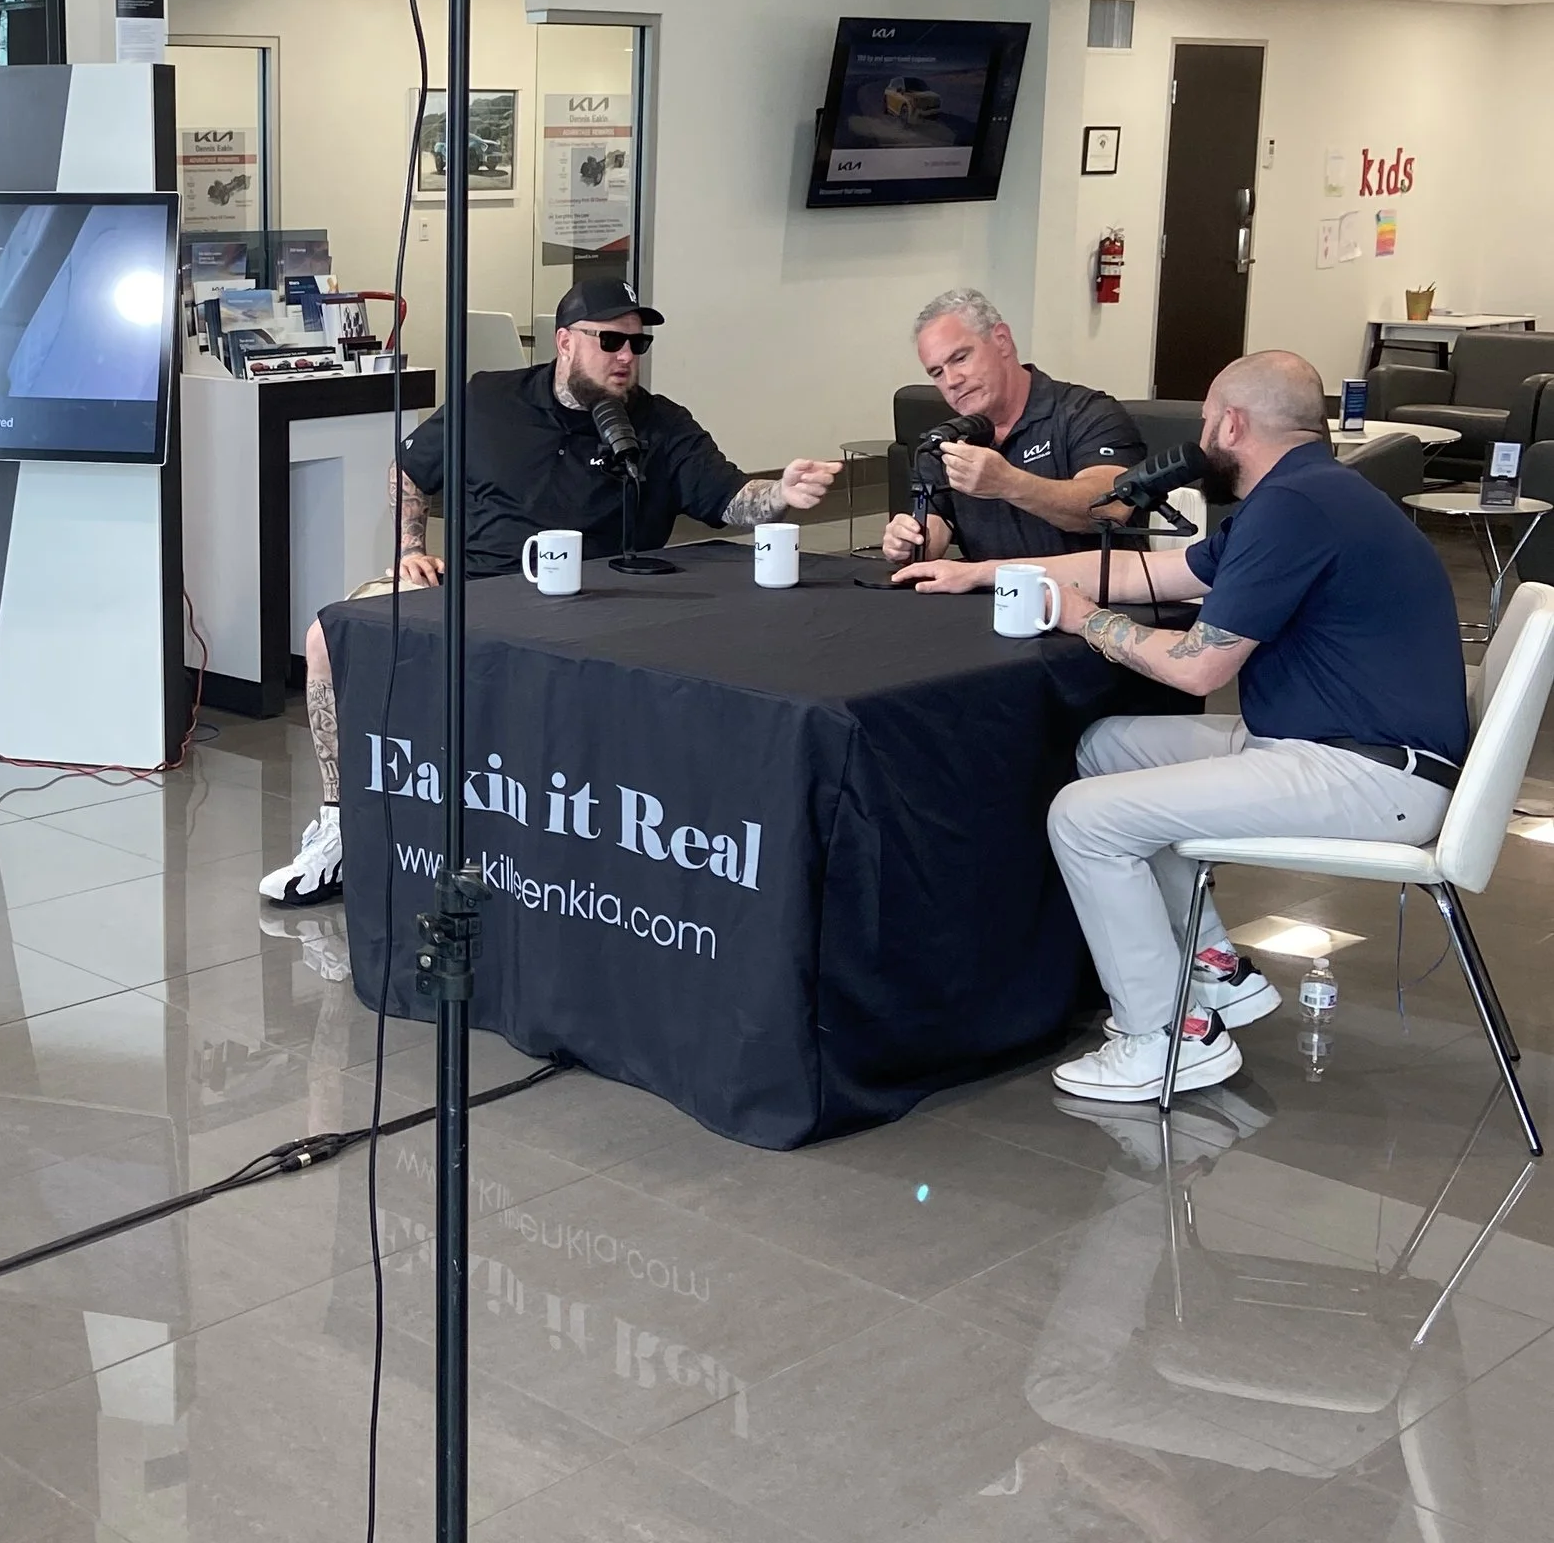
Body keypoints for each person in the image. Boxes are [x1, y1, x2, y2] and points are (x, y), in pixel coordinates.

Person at [898, 348, 1467, 1101]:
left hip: (1368, 773)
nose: (1199, 439)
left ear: (1233, 422)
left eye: (1205, 421)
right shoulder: (1303, 494)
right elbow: (1147, 574)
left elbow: (1200, 668)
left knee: (1082, 817)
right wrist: (983, 573)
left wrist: (1085, 621)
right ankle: (1213, 967)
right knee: (1106, 748)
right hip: (1336, 742)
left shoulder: (1295, 510)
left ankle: (1166, 1037)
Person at [261, 272, 841, 903]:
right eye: (610, 342)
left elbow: (730, 499)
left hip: (601, 607)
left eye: (636, 346)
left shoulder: (660, 425)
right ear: (565, 342)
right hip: (479, 585)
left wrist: (782, 494)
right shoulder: (489, 399)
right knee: (327, 635)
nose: (626, 359)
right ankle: (342, 826)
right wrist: (409, 551)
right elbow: (410, 468)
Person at [885, 288, 1143, 565]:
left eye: (960, 358)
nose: (951, 380)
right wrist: (909, 542)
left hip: (1096, 596)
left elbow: (1112, 506)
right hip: (991, 596)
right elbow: (932, 534)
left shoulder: (1087, 412)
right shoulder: (947, 442)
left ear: (1002, 340)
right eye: (936, 372)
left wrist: (1007, 483)